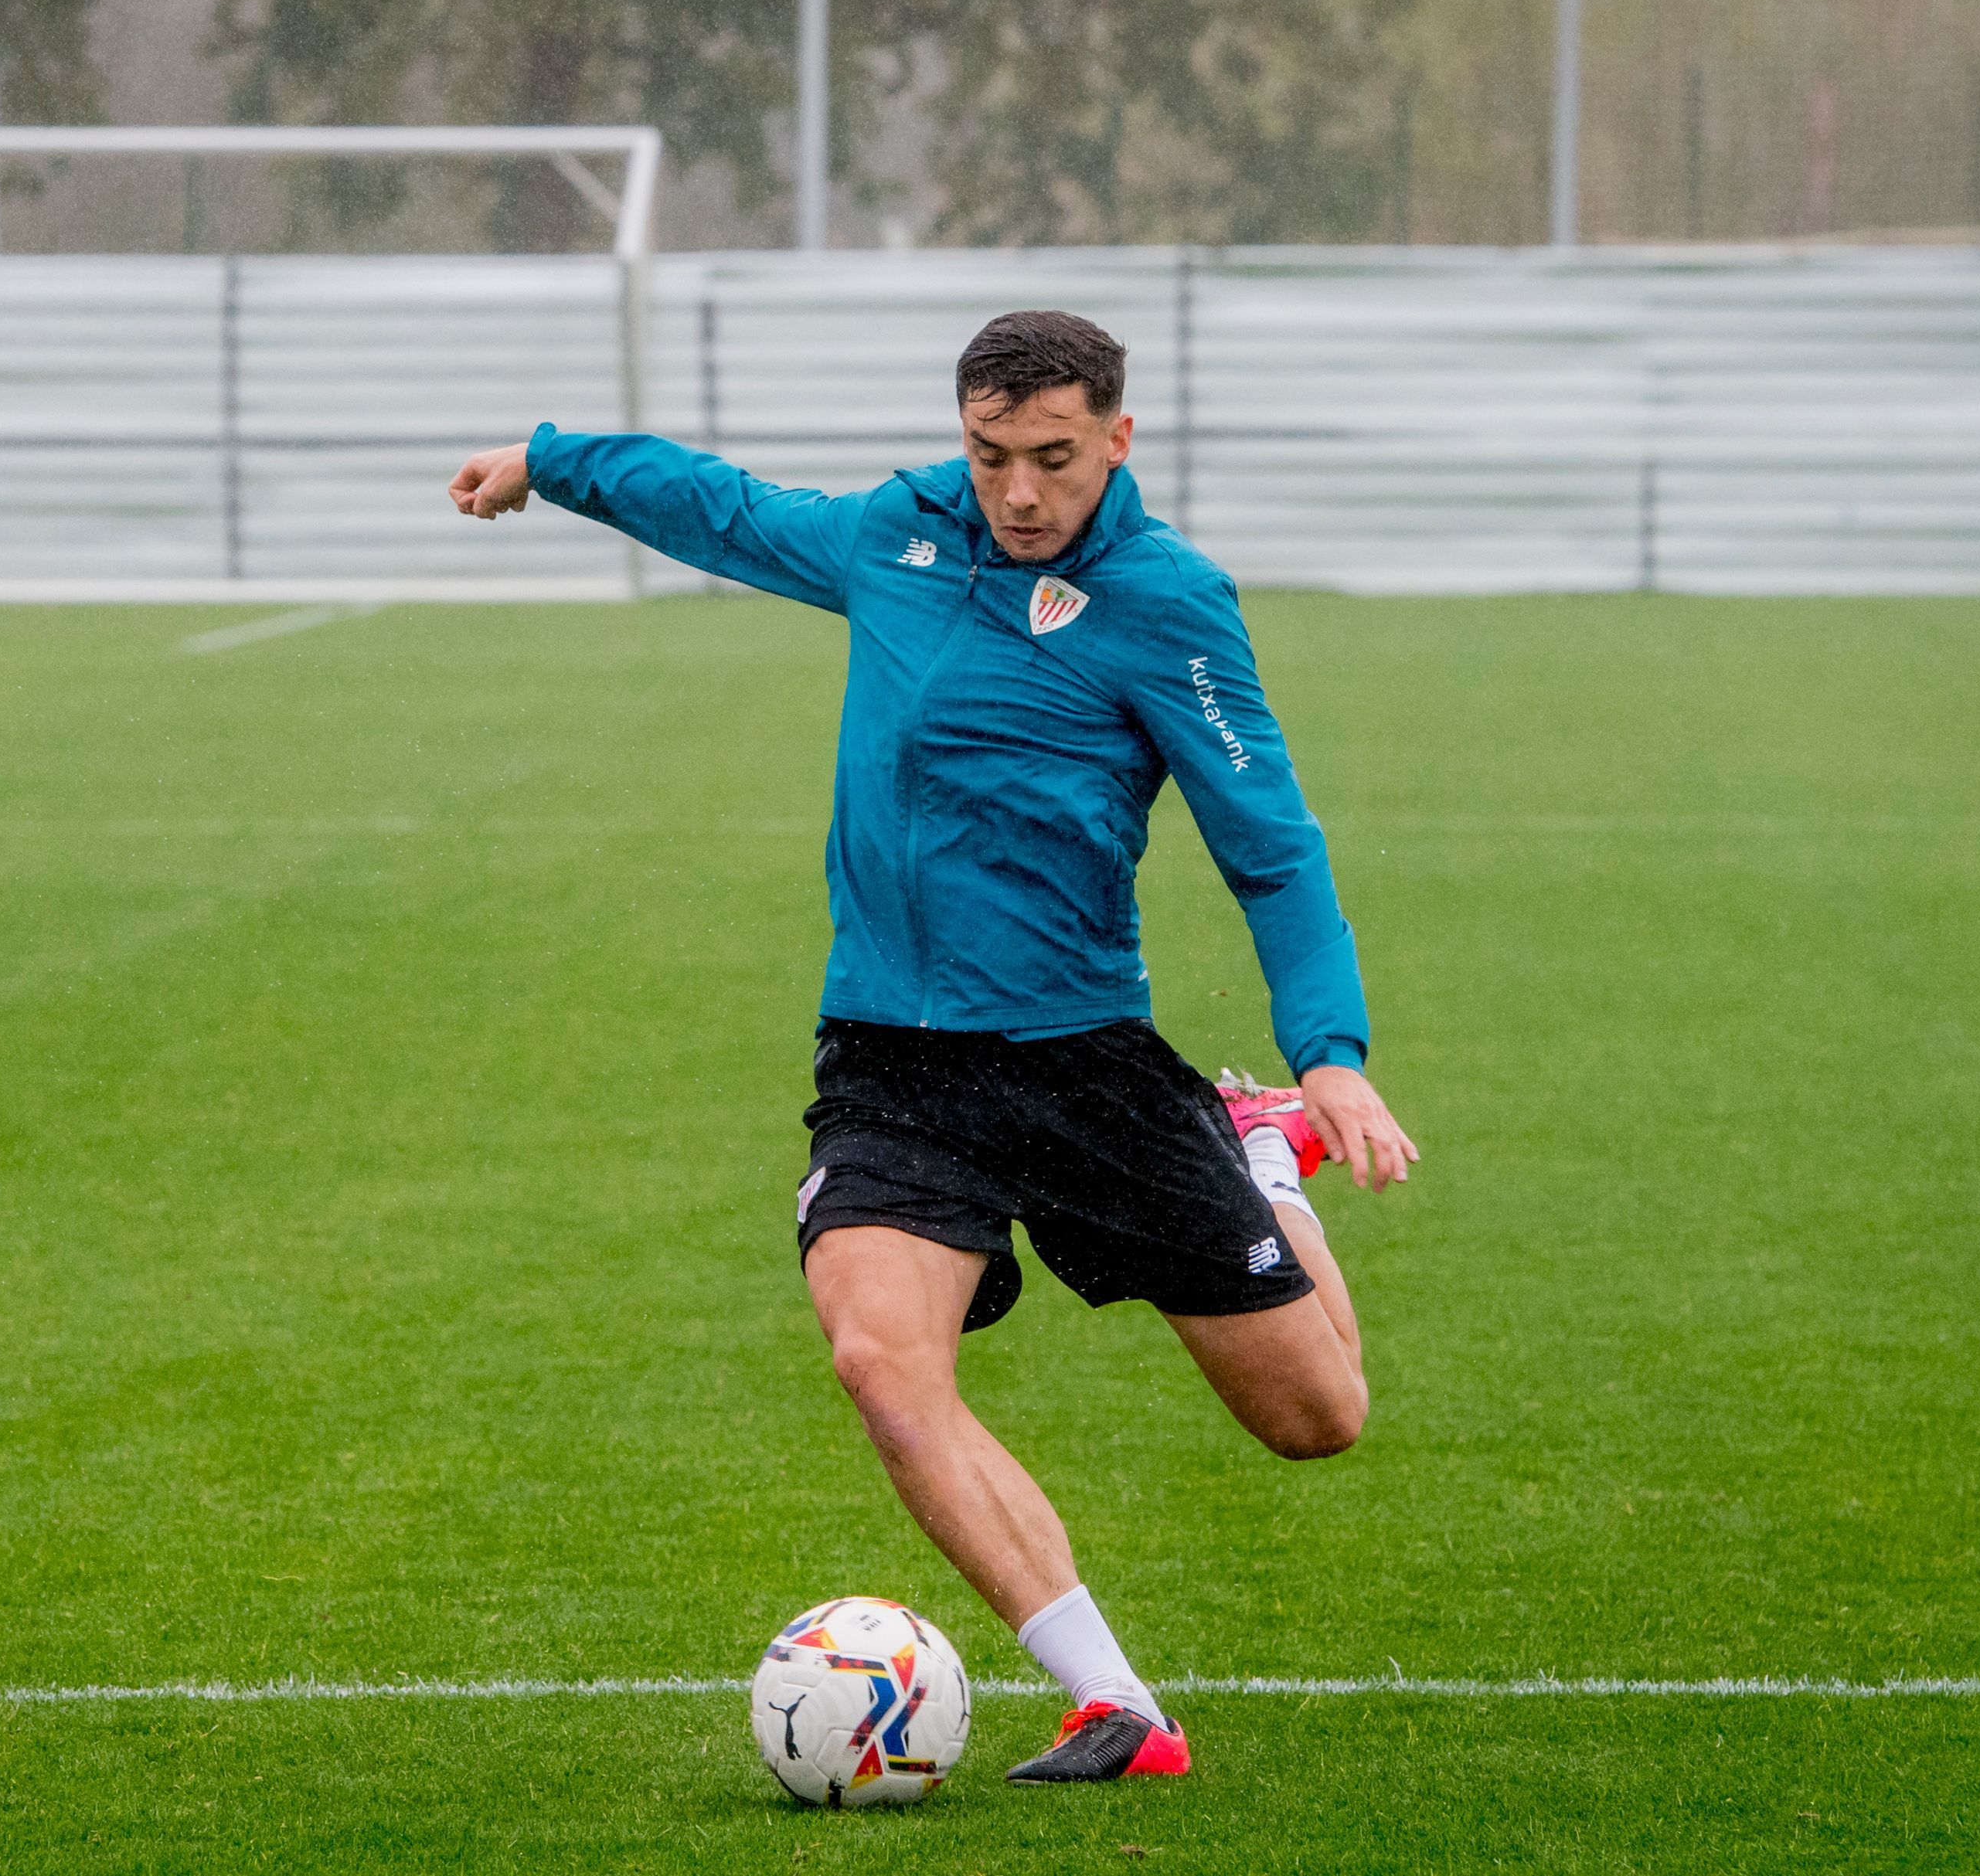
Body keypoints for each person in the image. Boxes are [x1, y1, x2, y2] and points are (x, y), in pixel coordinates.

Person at [445, 309, 1418, 1784]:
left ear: (1118, 439)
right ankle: (1119, 1706)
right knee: (880, 1358)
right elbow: (724, 508)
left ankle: (1260, 1144)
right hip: (894, 1062)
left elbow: (1272, 852)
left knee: (1316, 1417)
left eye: (1052, 459)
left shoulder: (1171, 603)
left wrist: (1330, 1052)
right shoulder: (897, 539)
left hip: (1082, 1060)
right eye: (989, 457)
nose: (1017, 493)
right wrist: (549, 458)